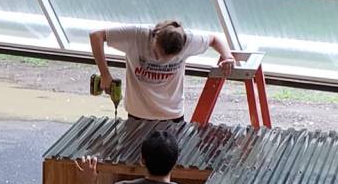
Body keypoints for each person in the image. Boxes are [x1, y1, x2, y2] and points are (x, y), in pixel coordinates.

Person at [89, 20, 237, 122]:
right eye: (157, 54)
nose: (162, 60)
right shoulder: (136, 35)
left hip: (172, 114)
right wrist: (105, 74)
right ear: (155, 38)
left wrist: (228, 56)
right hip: (138, 113)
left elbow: (214, 39)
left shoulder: (189, 40)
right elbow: (96, 35)